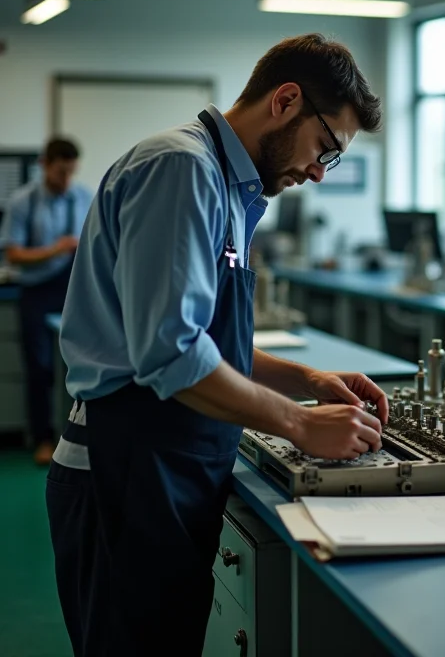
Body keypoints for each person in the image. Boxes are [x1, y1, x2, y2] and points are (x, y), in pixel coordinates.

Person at [45, 34, 389, 656]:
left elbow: (205, 343)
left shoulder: (233, 190)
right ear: (286, 100)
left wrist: (307, 382)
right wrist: (300, 426)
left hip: (167, 468)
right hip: (125, 471)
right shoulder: (181, 168)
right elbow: (172, 354)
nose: (318, 171)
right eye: (327, 149)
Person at [0, 138, 91, 465]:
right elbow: (14, 253)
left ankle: (77, 438)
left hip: (74, 286)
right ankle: (41, 439)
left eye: (71, 172)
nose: (66, 179)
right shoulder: (23, 201)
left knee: (80, 362)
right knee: (40, 367)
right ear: (44, 164)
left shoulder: (84, 196)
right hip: (37, 290)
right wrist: (58, 247)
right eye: (59, 172)